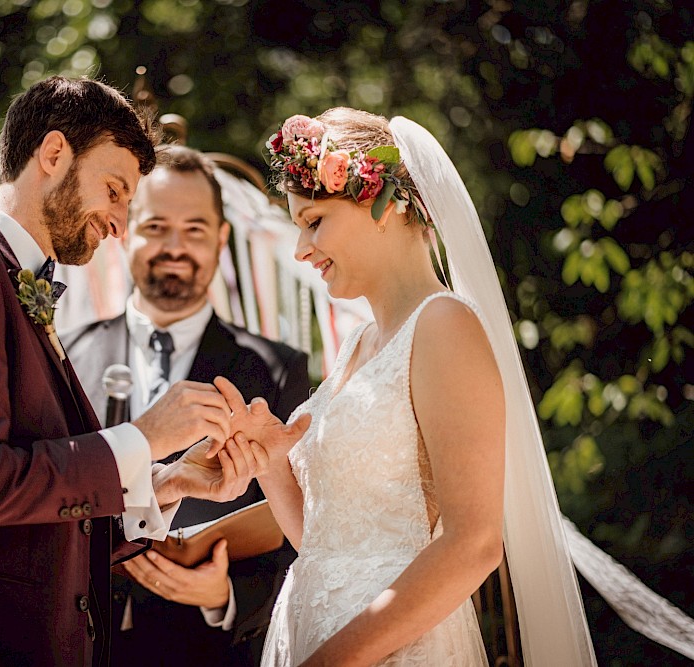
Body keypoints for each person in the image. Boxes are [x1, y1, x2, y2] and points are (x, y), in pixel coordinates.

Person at [0, 76, 272, 667]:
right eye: (114, 189)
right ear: (53, 154)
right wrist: (144, 437)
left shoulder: (14, 281)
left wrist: (169, 482)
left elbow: (38, 520)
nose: (121, 223)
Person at [216, 109, 596, 665]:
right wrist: (274, 464)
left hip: (394, 648)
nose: (301, 249)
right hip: (311, 629)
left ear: (385, 203)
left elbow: (474, 543)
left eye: (315, 220)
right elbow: (326, 546)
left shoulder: (444, 326)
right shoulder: (362, 342)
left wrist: (333, 659)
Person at [63, 144, 310, 666]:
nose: (175, 246)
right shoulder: (64, 355)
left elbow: (303, 538)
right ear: (125, 229)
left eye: (195, 229)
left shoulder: (278, 370)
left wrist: (225, 595)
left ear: (221, 240)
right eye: (155, 226)